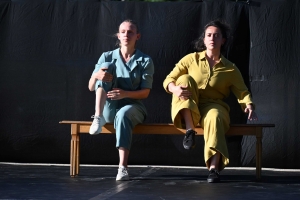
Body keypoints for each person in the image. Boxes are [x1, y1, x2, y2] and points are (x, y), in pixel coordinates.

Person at [163, 19, 258, 183]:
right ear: (204, 40)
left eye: (216, 35)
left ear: (223, 40)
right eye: (209, 35)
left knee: (215, 116)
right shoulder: (191, 59)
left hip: (214, 105)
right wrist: (175, 88)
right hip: (189, 103)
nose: (212, 38)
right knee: (184, 78)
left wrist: (248, 105)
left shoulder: (230, 68)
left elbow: (242, 92)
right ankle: (190, 130)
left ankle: (213, 169)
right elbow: (169, 79)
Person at [88, 19, 154, 181]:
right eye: (123, 32)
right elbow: (91, 86)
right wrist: (97, 75)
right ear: (118, 35)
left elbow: (145, 92)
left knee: (124, 114)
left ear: (137, 36)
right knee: (107, 67)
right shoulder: (107, 56)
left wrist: (125, 94)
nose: (126, 35)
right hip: (108, 108)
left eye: (130, 32)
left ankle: (122, 167)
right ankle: (97, 116)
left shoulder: (145, 60)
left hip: (133, 107)